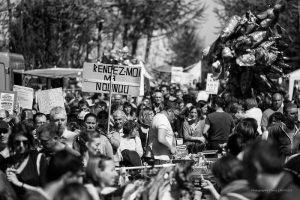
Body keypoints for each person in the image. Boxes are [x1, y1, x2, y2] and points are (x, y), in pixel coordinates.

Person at [1, 123, 47, 198]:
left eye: (25, 142)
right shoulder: (5, 163)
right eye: (17, 142)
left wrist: (18, 183)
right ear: (12, 143)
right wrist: (4, 179)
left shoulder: (38, 159)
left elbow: (45, 191)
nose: (21, 145)